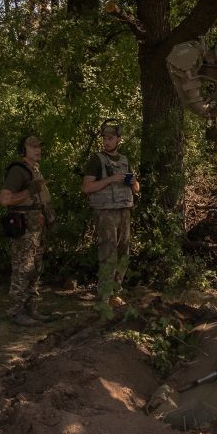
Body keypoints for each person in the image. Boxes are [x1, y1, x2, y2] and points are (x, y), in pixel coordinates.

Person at [82, 123, 140, 319]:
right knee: (108, 252)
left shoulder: (124, 160)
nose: (107, 141)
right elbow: (87, 187)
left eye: (110, 138)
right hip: (106, 212)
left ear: (118, 140)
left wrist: (133, 182)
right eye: (105, 138)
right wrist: (111, 179)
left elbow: (137, 189)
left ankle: (115, 292)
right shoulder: (96, 160)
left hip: (124, 210)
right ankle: (104, 298)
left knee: (124, 251)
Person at [0, 135, 53, 326]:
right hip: (24, 228)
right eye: (32, 146)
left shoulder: (34, 169)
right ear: (23, 149)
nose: (37, 150)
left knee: (35, 268)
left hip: (37, 227)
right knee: (23, 269)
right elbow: (5, 199)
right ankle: (16, 312)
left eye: (39, 146)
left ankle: (30, 308)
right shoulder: (18, 170)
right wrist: (29, 191)